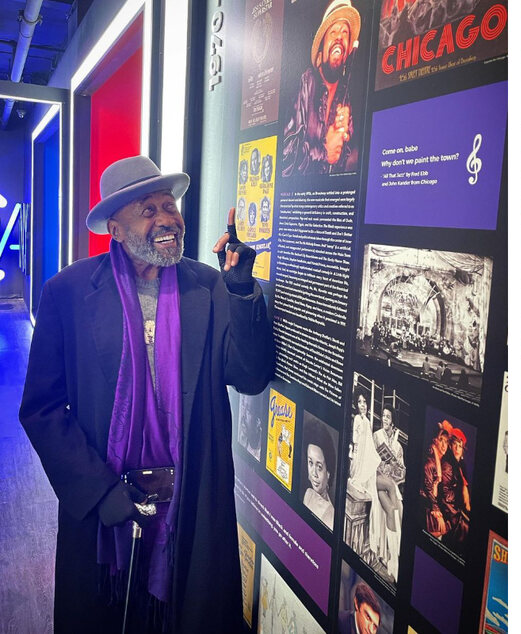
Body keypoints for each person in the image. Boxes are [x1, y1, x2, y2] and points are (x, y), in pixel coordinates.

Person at [19, 155, 274, 632]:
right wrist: (97, 493)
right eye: (148, 210)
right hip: (107, 503)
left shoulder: (211, 286)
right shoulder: (69, 293)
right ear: (116, 228)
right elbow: (42, 409)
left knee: (188, 616)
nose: (167, 219)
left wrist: (242, 290)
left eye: (169, 205)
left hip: (191, 499)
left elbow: (250, 376)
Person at [282, 0, 361, 176]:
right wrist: (325, 151)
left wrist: (342, 143)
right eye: (333, 31)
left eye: (345, 32)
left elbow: (347, 166)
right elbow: (284, 157)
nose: (339, 37)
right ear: (320, 51)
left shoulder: (346, 98)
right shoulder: (303, 83)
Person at [371, 407, 404, 580]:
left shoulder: (398, 446)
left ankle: (394, 559)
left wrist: (395, 464)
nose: (384, 419)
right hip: (375, 479)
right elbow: (369, 459)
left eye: (387, 416)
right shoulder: (376, 436)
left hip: (389, 484)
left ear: (393, 421)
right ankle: (394, 556)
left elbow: (402, 474)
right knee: (393, 493)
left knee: (394, 509)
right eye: (383, 416)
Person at [438, 428, 471, 551]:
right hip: (451, 515)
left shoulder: (461, 466)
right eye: (454, 445)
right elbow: (446, 496)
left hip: (459, 511)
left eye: (460, 446)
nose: (457, 449)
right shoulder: (448, 465)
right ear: (450, 446)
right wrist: (457, 518)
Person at [302, 421, 335, 529]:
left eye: (319, 467)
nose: (313, 473)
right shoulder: (308, 494)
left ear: (328, 473)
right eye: (310, 463)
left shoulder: (330, 514)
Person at [420, 423, 451, 538]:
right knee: (438, 530)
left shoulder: (440, 462)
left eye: (446, 442)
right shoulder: (430, 463)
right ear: (434, 441)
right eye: (441, 440)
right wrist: (436, 511)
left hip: (432, 503)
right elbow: (428, 488)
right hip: (425, 504)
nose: (444, 445)